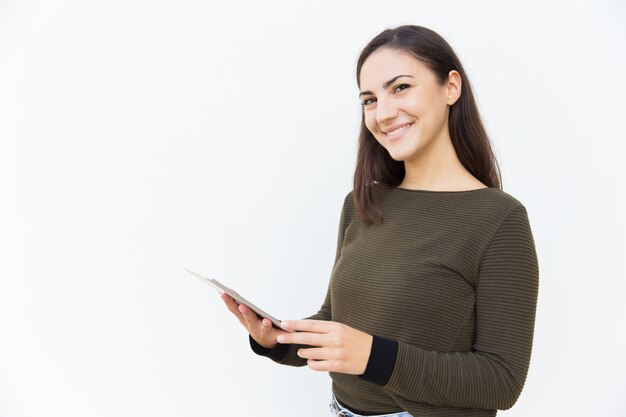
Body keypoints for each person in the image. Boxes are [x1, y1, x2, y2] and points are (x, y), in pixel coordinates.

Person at [221, 25, 539, 417]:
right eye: (369, 99)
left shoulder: (499, 219)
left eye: (401, 87)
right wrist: (277, 340)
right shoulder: (361, 203)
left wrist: (374, 357)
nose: (383, 113)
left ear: (450, 87)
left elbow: (501, 381)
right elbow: (335, 322)